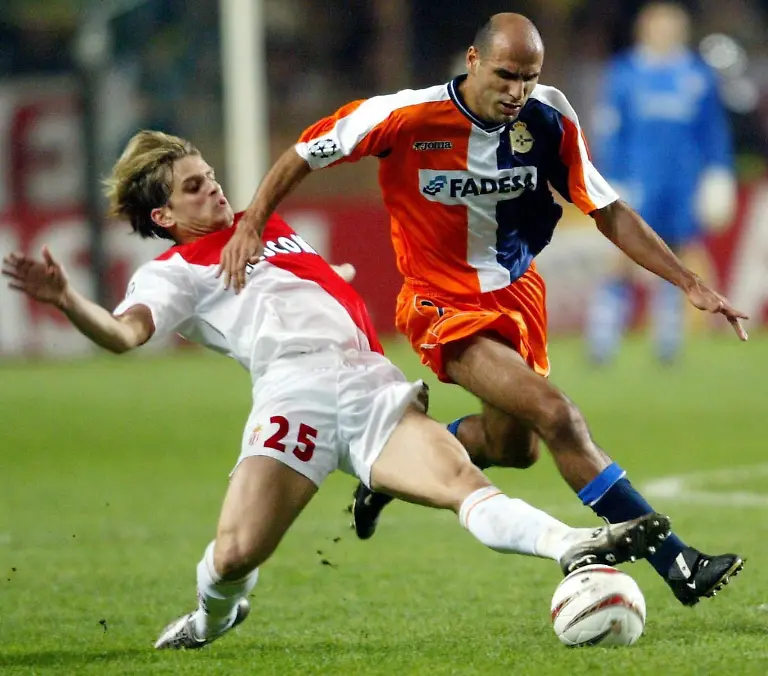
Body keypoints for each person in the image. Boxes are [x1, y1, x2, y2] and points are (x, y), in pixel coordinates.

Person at [1, 130, 671, 650]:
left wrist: (335, 281)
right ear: (165, 214)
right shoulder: (171, 274)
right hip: (295, 398)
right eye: (196, 187)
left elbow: (306, 286)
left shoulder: (267, 228)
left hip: (368, 381)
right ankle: (214, 614)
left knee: (465, 486)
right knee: (236, 553)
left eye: (210, 177)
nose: (216, 190)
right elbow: (124, 336)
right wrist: (66, 300)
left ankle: (572, 545)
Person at [217, 13, 747, 607]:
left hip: (516, 298)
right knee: (559, 416)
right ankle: (678, 561)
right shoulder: (404, 116)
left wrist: (687, 280)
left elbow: (606, 208)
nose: (516, 91)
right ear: (472, 61)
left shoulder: (549, 118)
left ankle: (388, 473)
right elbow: (303, 153)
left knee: (514, 447)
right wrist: (253, 223)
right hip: (440, 304)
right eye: (504, 75)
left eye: (528, 77)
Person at [586, 1, 738, 364]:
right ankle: (603, 335)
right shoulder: (624, 74)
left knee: (678, 256)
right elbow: (611, 129)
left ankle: (667, 339)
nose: (666, 32)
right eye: (659, 25)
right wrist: (612, 178)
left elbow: (712, 132)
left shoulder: (697, 75)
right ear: (644, 29)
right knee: (622, 255)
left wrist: (718, 173)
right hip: (638, 180)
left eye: (672, 25)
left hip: (682, 182)